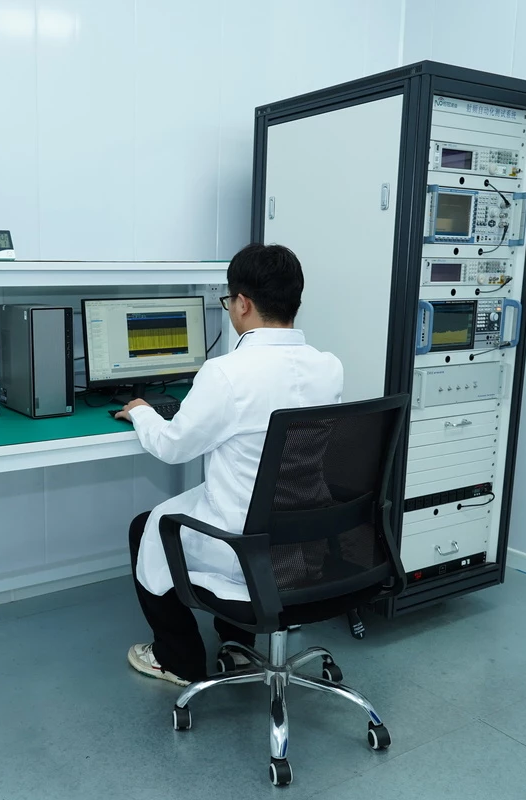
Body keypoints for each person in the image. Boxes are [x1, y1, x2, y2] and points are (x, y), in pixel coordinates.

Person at [117, 243, 344, 686]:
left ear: (242, 303)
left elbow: (173, 447)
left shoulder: (226, 373)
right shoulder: (328, 367)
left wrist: (142, 412)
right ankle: (237, 645)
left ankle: (177, 659)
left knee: (146, 527)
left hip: (245, 546)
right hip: (305, 542)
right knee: (211, 507)